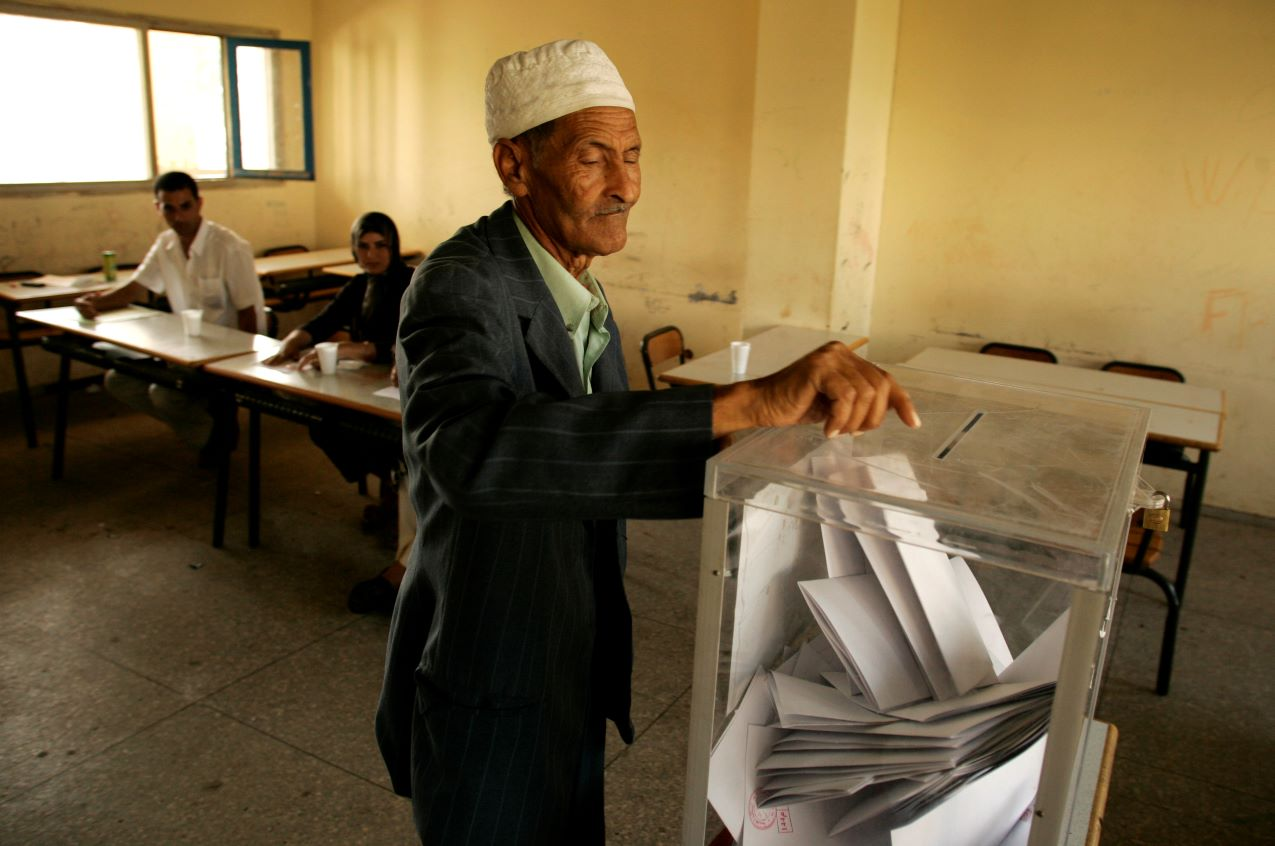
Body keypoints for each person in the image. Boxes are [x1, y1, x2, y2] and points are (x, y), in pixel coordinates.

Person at [376, 39, 919, 845]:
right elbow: (473, 452)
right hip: (493, 656)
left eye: (632, 157)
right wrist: (743, 402)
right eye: (593, 158)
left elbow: (588, 453)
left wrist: (771, 431)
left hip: (567, 647)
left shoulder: (574, 281)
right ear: (513, 165)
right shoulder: (462, 282)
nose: (625, 186)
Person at [263, 212, 415, 614]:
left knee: (400, 444)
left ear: (394, 247)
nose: (372, 255)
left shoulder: (411, 282)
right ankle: (389, 492)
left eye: (381, 245)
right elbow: (321, 321)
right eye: (363, 247)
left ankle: (398, 516)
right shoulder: (359, 285)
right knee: (325, 423)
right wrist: (293, 341)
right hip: (368, 385)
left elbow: (409, 340)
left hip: (401, 388)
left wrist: (362, 349)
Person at [75, 171, 264, 466]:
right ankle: (206, 431)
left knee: (164, 394)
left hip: (225, 353)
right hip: (182, 349)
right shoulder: (165, 244)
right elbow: (136, 287)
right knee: (118, 380)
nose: (178, 216)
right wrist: (96, 303)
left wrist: (242, 372)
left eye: (185, 206)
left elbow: (248, 312)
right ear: (158, 208)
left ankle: (213, 435)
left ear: (200, 203)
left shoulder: (228, 246)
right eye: (169, 208)